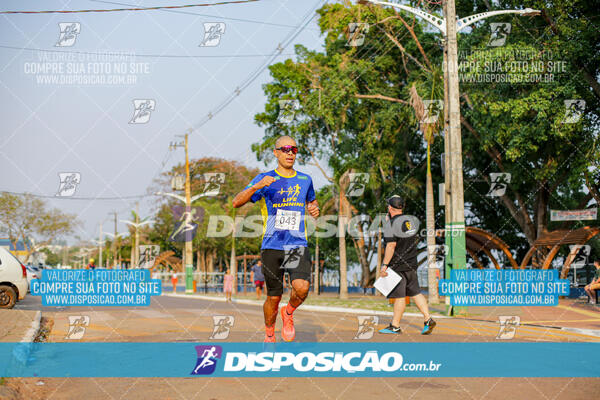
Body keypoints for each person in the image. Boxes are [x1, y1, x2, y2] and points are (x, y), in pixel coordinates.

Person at [232, 135, 320, 343]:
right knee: (273, 296)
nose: (290, 153)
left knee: (302, 288)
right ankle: (269, 332)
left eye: (294, 150)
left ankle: (288, 313)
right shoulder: (265, 179)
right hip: (272, 245)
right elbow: (236, 202)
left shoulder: (305, 180)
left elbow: (312, 202)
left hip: (296, 243)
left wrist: (314, 209)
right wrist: (256, 186)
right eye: (285, 149)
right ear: (276, 152)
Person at [378, 195, 436, 335]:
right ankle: (428, 319)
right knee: (415, 292)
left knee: (399, 296)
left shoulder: (390, 225)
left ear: (390, 207)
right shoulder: (410, 221)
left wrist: (384, 265)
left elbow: (391, 246)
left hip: (398, 265)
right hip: (411, 263)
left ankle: (395, 326)